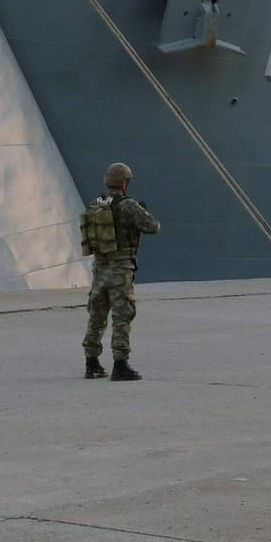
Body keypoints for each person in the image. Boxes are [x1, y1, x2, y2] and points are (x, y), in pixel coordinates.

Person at [82, 162, 160, 382]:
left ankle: (92, 362)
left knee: (96, 316)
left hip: (99, 268)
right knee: (121, 317)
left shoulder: (96, 204)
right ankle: (120, 364)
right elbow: (153, 226)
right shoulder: (129, 206)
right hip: (121, 269)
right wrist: (142, 211)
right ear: (125, 182)